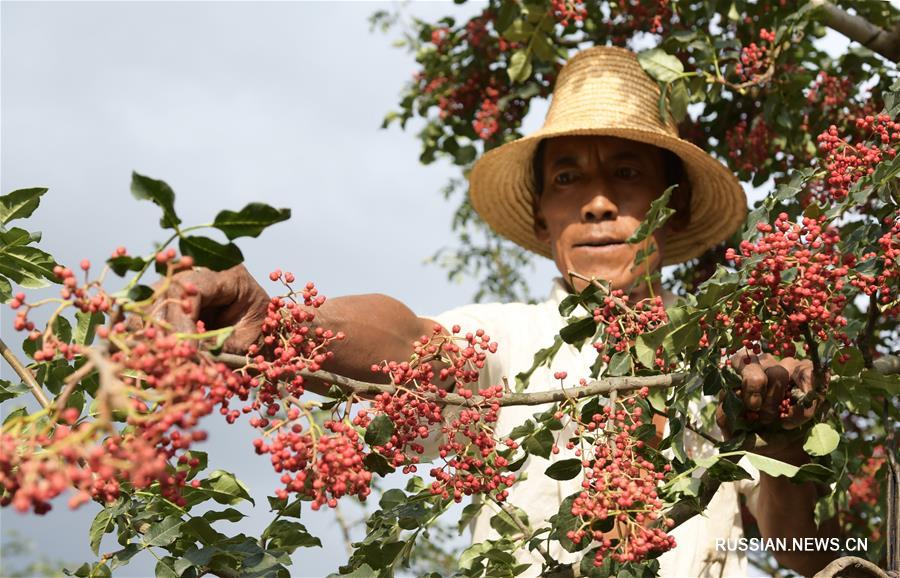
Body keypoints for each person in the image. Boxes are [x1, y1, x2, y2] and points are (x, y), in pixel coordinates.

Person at [158, 46, 838, 577]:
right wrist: (280, 324)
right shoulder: (513, 340)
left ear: (673, 203)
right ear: (544, 219)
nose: (597, 202)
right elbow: (416, 341)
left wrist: (778, 438)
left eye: (626, 173)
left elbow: (805, 551)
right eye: (568, 179)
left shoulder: (732, 363)